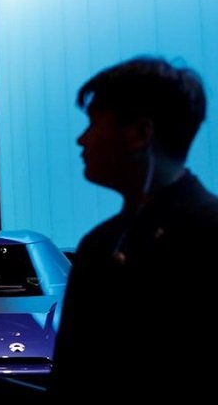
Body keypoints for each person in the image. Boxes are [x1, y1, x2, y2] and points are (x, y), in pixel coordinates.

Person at [46, 56, 218, 402]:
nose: (82, 140)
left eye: (93, 123)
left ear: (141, 132)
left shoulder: (208, 235)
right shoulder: (97, 244)